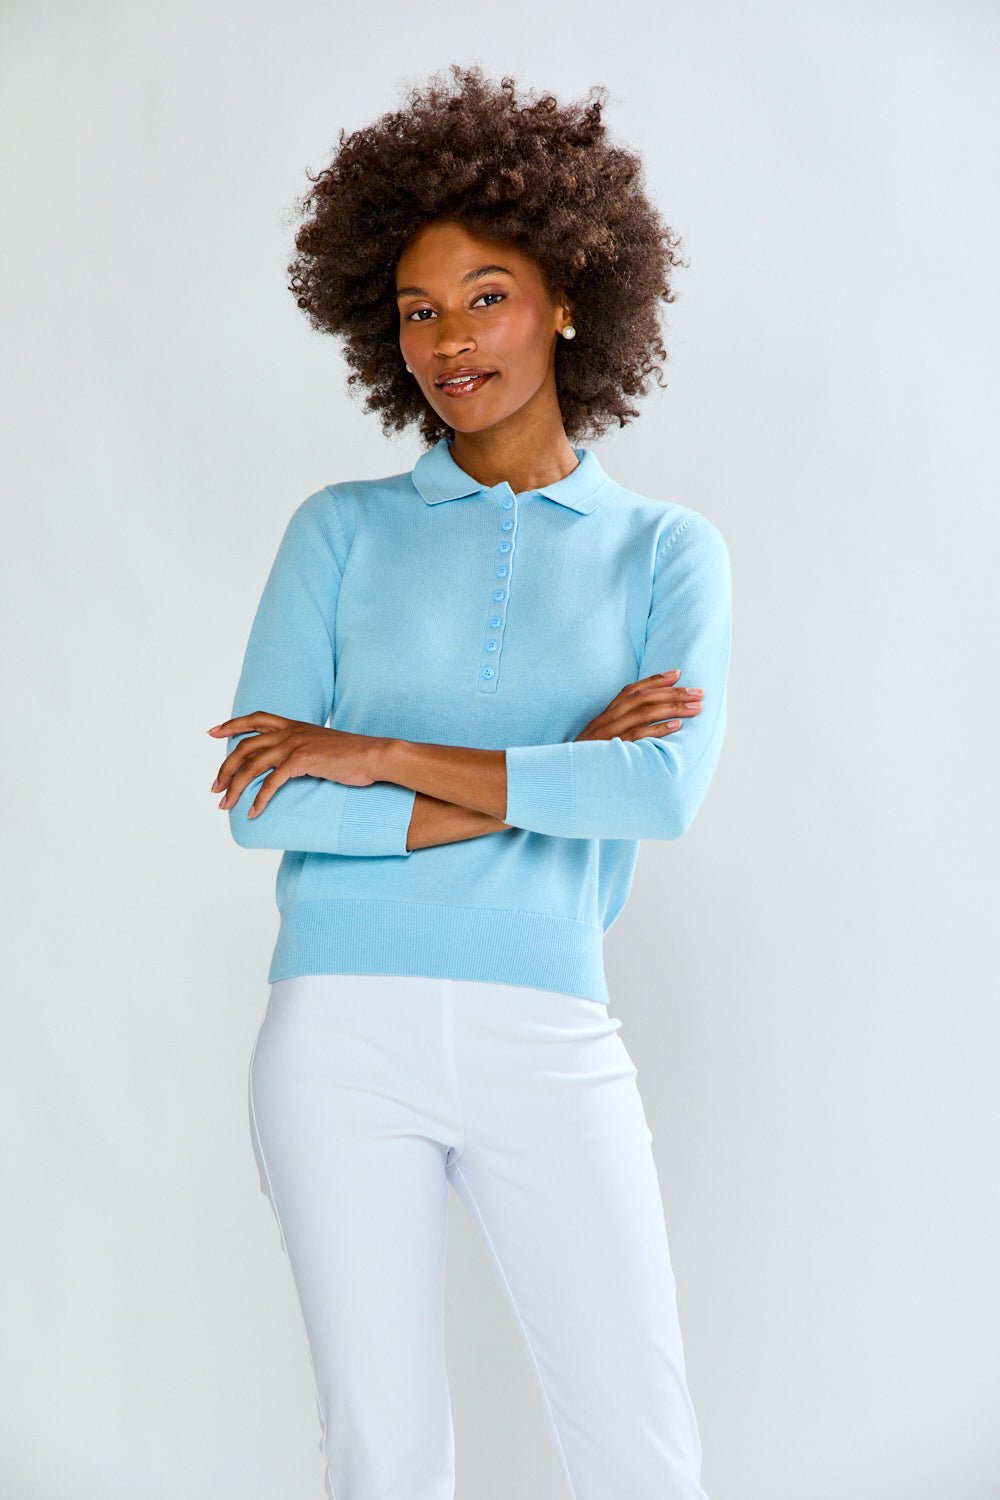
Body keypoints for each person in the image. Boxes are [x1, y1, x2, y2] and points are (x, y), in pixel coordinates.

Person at [207, 64, 731, 1500]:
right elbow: (264, 798)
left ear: (568, 294)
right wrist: (553, 771)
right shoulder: (341, 531)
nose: (450, 341)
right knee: (381, 1453)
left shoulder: (666, 553)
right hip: (335, 1036)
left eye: (486, 295)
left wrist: (370, 753)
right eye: (417, 311)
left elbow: (662, 792)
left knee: (639, 1446)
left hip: (551, 1026)